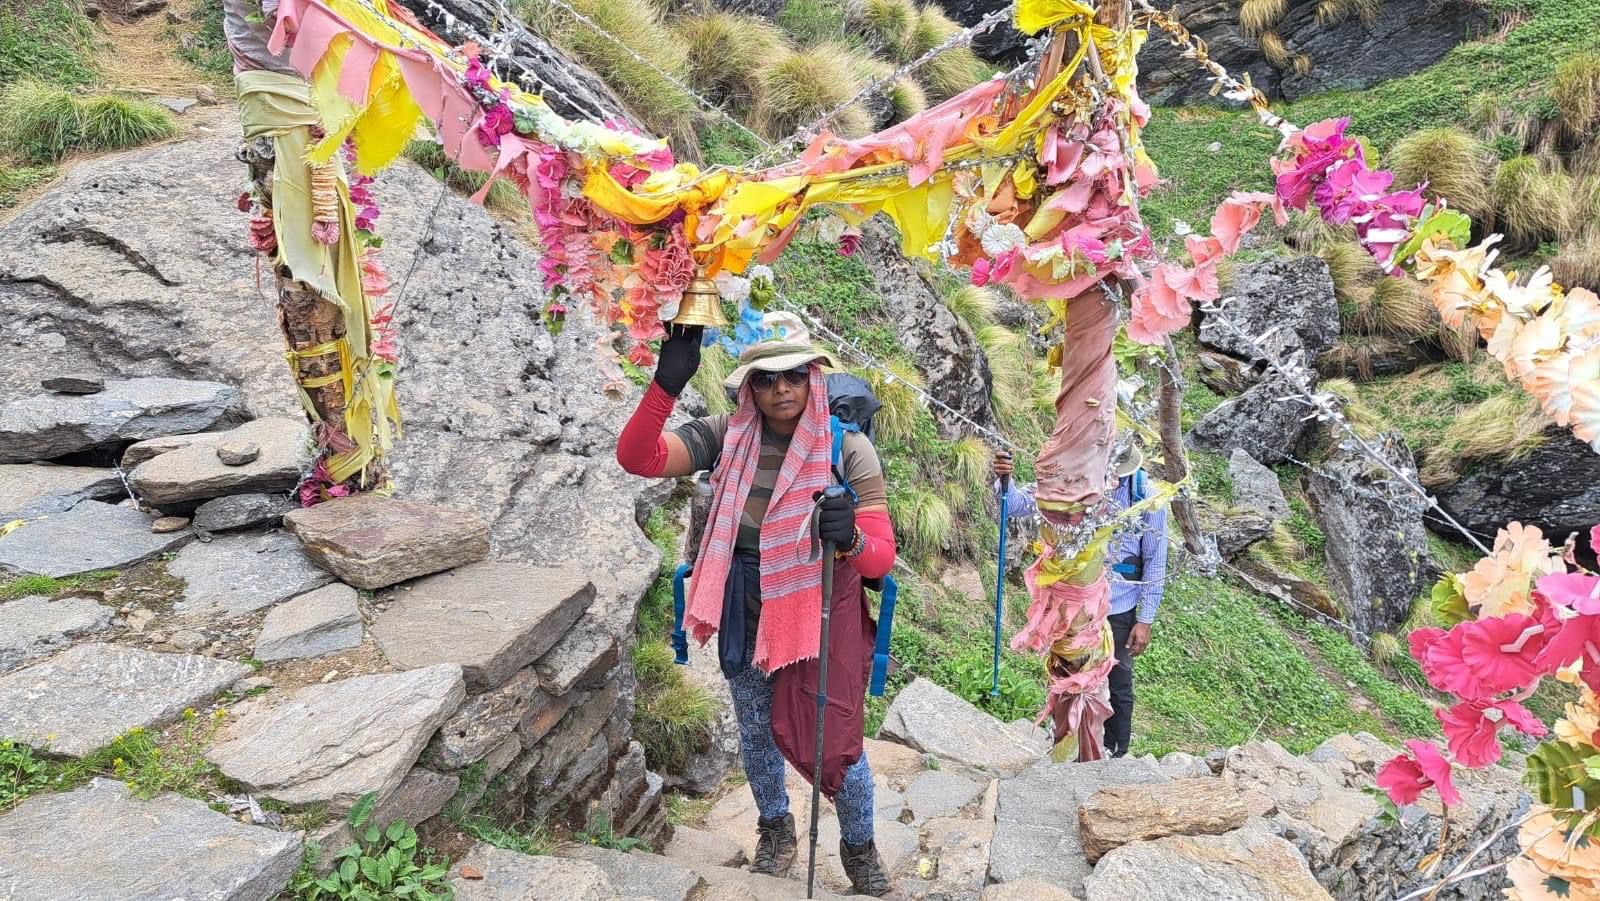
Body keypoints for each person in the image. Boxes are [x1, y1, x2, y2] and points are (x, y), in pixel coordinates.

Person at [617, 312, 899, 897]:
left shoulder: (849, 451)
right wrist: (667, 385)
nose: (781, 389)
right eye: (767, 379)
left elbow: (877, 561)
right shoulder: (725, 434)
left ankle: (859, 845)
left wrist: (848, 536)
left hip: (822, 601)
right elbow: (637, 458)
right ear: (748, 386)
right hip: (745, 594)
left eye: (793, 374)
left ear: (814, 377)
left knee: (833, 732)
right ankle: (775, 828)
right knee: (754, 726)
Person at [992, 444, 1167, 758]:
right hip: (1075, 606)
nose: (1113, 480)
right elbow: (1017, 504)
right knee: (1067, 672)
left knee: (1118, 678)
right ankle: (1064, 742)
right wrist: (1005, 481)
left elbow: (1155, 560)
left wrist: (1146, 619)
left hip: (1118, 606)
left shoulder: (1147, 499)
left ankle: (1115, 750)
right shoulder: (1072, 484)